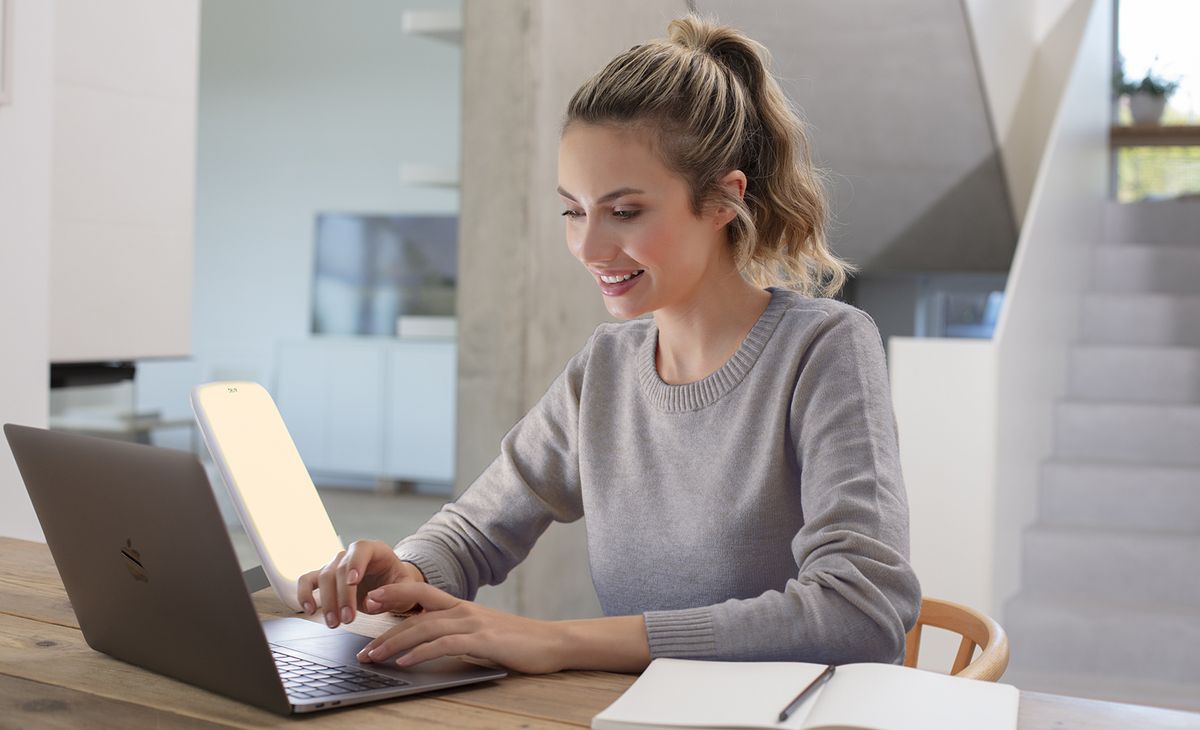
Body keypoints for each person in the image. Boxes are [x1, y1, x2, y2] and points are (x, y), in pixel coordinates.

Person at [297, 14, 921, 675]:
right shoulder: (606, 368)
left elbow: (861, 612)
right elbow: (477, 530)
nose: (589, 248)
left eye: (624, 212)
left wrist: (558, 642)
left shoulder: (823, 349)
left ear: (721, 201)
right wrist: (407, 571)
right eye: (573, 210)